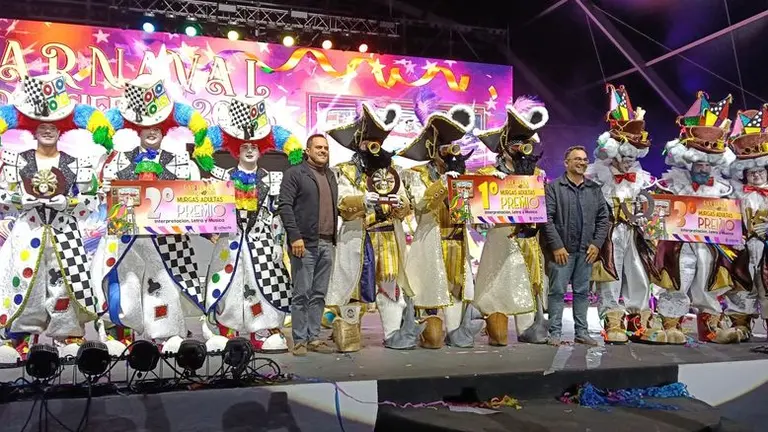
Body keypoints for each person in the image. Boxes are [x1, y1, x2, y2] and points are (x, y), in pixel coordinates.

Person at [90, 75, 211, 354]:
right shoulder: (118, 158)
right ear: (136, 130)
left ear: (165, 128)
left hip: (166, 240)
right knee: (125, 286)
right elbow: (103, 193)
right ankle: (120, 334)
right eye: (145, 126)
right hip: (127, 239)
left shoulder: (181, 161)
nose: (151, 130)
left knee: (165, 286)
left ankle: (166, 334)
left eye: (156, 125)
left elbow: (191, 198)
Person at [0, 73, 114, 362]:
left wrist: (69, 201)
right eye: (42, 126)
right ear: (34, 129)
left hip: (65, 234)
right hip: (28, 233)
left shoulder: (75, 163)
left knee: (66, 285)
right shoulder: (16, 160)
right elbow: (3, 196)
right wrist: (20, 200)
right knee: (27, 283)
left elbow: (91, 198)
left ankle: (67, 338)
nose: (48, 131)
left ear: (60, 130)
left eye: (53, 127)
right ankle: (18, 340)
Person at [201, 90, 303, 353]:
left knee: (264, 283)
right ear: (235, 150)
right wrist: (208, 233)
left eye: (254, 147)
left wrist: (278, 242)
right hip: (229, 243)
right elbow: (201, 202)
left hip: (262, 242)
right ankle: (227, 328)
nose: (249, 150)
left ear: (262, 150)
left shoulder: (275, 179)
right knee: (228, 285)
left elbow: (281, 212)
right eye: (244, 146)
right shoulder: (222, 176)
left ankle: (262, 328)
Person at [325, 101, 421, 351]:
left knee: (390, 285)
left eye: (378, 142)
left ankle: (392, 333)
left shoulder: (395, 171)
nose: (375, 148)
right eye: (369, 142)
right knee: (352, 286)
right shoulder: (344, 172)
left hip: (389, 237)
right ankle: (349, 334)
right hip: (358, 236)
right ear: (359, 143)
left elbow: (409, 205)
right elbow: (341, 203)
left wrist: (402, 206)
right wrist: (361, 201)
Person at [653, 92, 741, 344]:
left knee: (708, 279)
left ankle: (711, 325)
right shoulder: (670, 185)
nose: (702, 169)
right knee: (678, 279)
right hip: (678, 245)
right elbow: (654, 216)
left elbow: (731, 219)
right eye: (698, 165)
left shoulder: (723, 189)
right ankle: (671, 323)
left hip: (710, 245)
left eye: (707, 166)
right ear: (688, 164)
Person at [399, 95, 484, 349]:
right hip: (430, 242)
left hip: (457, 242)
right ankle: (424, 325)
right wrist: (442, 183)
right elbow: (421, 205)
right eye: (444, 148)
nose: (450, 152)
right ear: (432, 151)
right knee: (433, 335)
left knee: (458, 292)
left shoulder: (462, 176)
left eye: (452, 147)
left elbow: (471, 215)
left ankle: (457, 328)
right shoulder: (416, 174)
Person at [585, 85, 661, 344]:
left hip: (635, 232)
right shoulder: (596, 177)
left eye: (632, 158)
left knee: (639, 272)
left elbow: (652, 206)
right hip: (608, 233)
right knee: (610, 274)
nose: (628, 163)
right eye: (624, 157)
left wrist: (646, 216)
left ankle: (638, 318)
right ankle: (612, 320)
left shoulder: (642, 178)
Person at [472, 96, 547, 346]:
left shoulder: (538, 174)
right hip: (500, 239)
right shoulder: (487, 176)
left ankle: (528, 323)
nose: (522, 149)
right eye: (516, 144)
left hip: (528, 240)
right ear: (504, 146)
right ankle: (493, 317)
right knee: (499, 334)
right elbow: (473, 215)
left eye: (525, 143)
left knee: (527, 283)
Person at [541, 145, 610, 346]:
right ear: (567, 163)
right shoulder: (554, 188)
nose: (582, 162)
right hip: (562, 251)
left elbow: (603, 219)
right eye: (577, 159)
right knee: (557, 292)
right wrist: (556, 246)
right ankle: (554, 333)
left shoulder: (594, 189)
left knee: (582, 293)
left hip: (586, 252)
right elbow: (547, 219)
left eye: (584, 159)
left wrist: (597, 244)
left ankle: (582, 332)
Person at [278, 133, 338, 355]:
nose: (323, 151)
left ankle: (314, 338)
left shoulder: (330, 175)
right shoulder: (295, 173)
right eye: (318, 147)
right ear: (308, 150)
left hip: (327, 243)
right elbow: (284, 206)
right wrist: (295, 237)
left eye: (325, 148)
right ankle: (300, 339)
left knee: (319, 293)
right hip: (304, 243)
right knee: (301, 293)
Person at [727, 105, 767, 342]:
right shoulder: (736, 195)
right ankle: (741, 326)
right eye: (751, 173)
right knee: (742, 284)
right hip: (743, 246)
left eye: (760, 171)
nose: (756, 176)